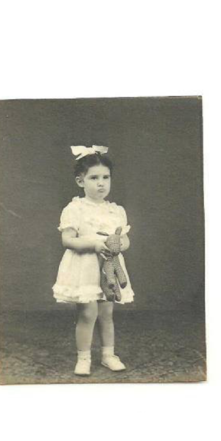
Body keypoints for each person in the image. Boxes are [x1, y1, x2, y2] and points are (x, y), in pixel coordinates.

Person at [52, 145, 134, 376]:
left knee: (107, 314)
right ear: (81, 181)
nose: (101, 183)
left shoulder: (116, 210)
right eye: (94, 178)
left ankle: (108, 355)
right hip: (85, 266)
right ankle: (84, 357)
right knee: (88, 314)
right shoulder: (75, 208)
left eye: (106, 177)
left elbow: (125, 239)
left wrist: (118, 245)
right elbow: (68, 240)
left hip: (109, 268)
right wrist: (95, 244)